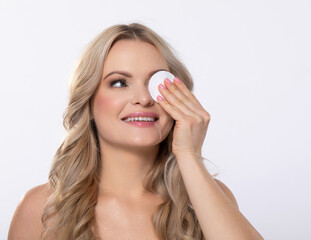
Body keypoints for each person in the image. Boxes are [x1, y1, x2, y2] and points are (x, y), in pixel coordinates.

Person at [8, 23, 263, 240]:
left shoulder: (208, 196)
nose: (143, 98)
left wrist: (189, 154)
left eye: (157, 83)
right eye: (119, 82)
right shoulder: (41, 208)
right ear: (89, 101)